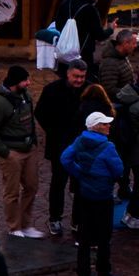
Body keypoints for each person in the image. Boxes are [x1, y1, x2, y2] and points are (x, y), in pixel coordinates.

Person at [61, 110, 124, 276]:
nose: (108, 126)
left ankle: (84, 272)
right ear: (96, 127)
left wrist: (80, 173)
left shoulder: (80, 141)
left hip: (85, 194)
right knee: (104, 235)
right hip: (103, 195)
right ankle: (103, 272)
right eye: (104, 124)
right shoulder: (108, 147)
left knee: (85, 233)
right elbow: (118, 170)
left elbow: (65, 159)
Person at [0, 65, 44, 238]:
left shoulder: (26, 96)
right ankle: (14, 227)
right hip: (12, 153)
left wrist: (33, 142)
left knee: (32, 187)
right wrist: (5, 152)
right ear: (15, 82)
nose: (29, 83)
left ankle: (25, 225)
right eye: (25, 80)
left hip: (29, 150)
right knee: (12, 192)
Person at [37, 60, 92, 236]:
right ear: (68, 74)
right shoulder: (52, 90)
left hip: (81, 146)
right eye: (76, 76)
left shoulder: (90, 90)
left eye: (82, 77)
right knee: (58, 183)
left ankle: (77, 220)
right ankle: (55, 219)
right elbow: (40, 113)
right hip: (59, 145)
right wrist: (54, 132)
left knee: (79, 186)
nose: (79, 80)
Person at [55, 0, 106, 66]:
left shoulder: (67, 2)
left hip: (64, 50)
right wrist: (111, 29)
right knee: (82, 77)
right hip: (83, 53)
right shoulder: (91, 10)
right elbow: (99, 35)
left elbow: (58, 24)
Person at [89, 25, 139, 99]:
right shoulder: (109, 64)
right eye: (133, 43)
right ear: (125, 44)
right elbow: (109, 90)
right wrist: (132, 93)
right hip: (119, 103)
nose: (135, 46)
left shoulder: (123, 56)